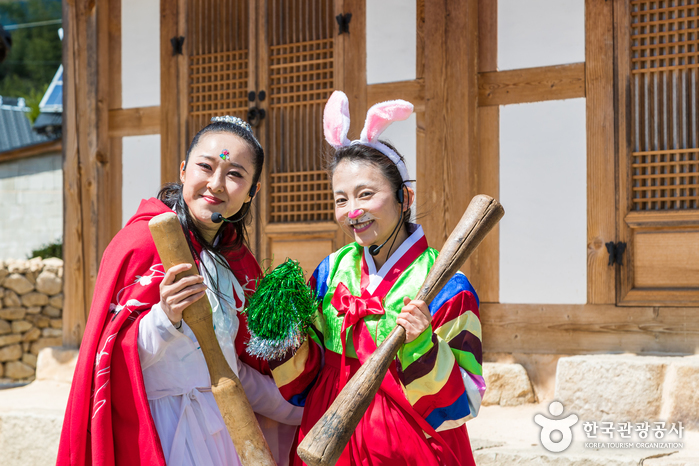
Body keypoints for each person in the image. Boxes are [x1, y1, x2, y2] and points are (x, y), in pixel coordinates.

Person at [57, 116, 302, 466]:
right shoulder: (140, 243)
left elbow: (238, 365)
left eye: (235, 174)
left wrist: (301, 408)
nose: (216, 184)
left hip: (223, 431)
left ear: (253, 191)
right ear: (184, 170)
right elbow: (108, 355)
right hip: (157, 427)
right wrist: (163, 318)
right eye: (206, 166)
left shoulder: (239, 263)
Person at [268, 92, 485, 465]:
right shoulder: (330, 271)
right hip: (329, 434)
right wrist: (282, 333)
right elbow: (306, 377)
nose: (352, 211)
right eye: (340, 199)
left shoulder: (448, 285)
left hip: (411, 443)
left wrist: (422, 345)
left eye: (366, 194)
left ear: (405, 197)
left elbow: (466, 400)